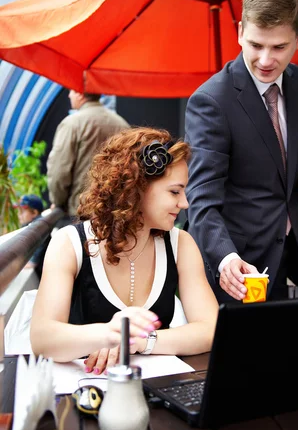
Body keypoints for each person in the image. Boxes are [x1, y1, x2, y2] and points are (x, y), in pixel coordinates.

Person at [184, 0, 298, 302]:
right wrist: (226, 258)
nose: (265, 60)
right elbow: (201, 198)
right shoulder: (210, 100)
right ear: (239, 32)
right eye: (255, 45)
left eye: (279, 47)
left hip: (284, 256)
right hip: (234, 267)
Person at [31, 127, 219, 374]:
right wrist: (108, 334)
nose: (184, 203)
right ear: (136, 188)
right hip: (81, 391)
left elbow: (212, 329)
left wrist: (140, 341)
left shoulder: (181, 244)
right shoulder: (68, 244)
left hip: (157, 391)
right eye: (175, 191)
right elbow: (42, 339)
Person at [46, 89, 130, 222]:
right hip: (114, 212)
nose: (69, 95)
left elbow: (59, 170)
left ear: (80, 94)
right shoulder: (121, 124)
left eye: (72, 91)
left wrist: (58, 202)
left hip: (80, 210)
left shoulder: (72, 124)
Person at [13, 194, 49, 278]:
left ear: (34, 213)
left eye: (22, 212)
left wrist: (33, 261)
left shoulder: (38, 225)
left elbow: (42, 243)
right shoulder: (35, 224)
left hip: (44, 268)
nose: (19, 215)